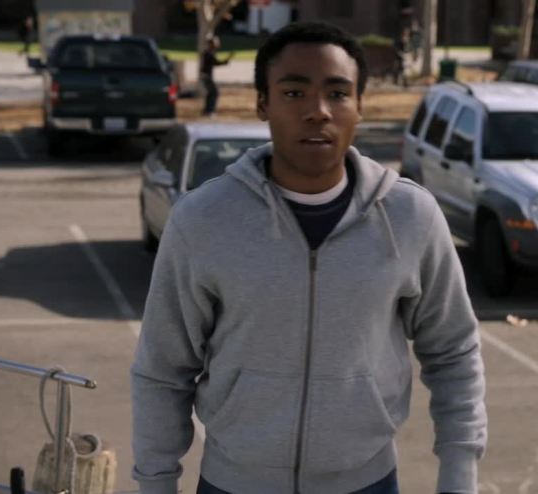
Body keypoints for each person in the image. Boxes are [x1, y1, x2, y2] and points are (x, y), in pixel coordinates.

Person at [131, 21, 487, 494]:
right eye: (294, 93)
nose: (318, 111)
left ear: (359, 105)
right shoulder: (203, 219)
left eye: (337, 94)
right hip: (232, 483)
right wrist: (156, 483)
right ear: (263, 104)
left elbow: (453, 350)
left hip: (367, 482)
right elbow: (163, 368)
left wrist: (459, 474)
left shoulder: (410, 216)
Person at [200, 36, 234, 117]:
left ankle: (206, 111)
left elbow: (215, 62)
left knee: (211, 93)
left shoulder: (208, 52)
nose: (218, 44)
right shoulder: (208, 53)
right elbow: (216, 62)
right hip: (207, 76)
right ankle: (210, 111)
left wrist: (226, 60)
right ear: (212, 44)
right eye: (216, 43)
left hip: (205, 76)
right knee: (215, 92)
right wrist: (227, 60)